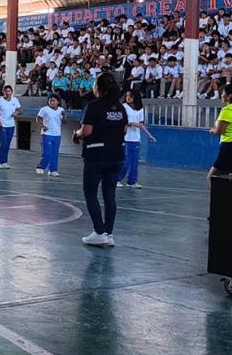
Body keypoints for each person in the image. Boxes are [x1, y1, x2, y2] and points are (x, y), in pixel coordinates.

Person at [72, 73, 127, 247]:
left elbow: (86, 131)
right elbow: (124, 130)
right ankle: (109, 234)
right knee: (110, 195)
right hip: (117, 155)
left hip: (96, 155)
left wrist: (76, 134)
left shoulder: (93, 106)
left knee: (90, 193)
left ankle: (99, 231)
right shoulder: (120, 108)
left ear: (99, 88)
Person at [117, 91, 156, 188]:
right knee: (125, 161)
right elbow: (123, 121)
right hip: (125, 137)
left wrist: (149, 135)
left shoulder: (140, 109)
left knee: (134, 162)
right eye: (127, 96)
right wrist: (132, 124)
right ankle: (117, 179)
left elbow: (141, 124)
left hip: (135, 139)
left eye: (130, 96)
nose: (128, 98)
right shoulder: (124, 107)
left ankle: (132, 181)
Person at [208, 83, 232, 180]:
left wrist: (213, 130)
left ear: (229, 96)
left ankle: (218, 195)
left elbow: (220, 130)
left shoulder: (228, 109)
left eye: (223, 93)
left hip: (231, 145)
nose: (221, 95)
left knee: (212, 177)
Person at [36, 95, 65, 176]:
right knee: (47, 152)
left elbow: (64, 121)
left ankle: (53, 170)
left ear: (58, 102)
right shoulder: (44, 109)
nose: (51, 102)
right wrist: (42, 126)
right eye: (50, 100)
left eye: (53, 100)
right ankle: (40, 167)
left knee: (55, 153)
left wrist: (64, 115)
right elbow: (38, 118)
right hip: (47, 133)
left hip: (57, 134)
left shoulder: (61, 110)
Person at [0, 85, 21, 169]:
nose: (7, 93)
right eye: (6, 91)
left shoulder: (15, 100)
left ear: (11, 92)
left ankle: (4, 162)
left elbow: (20, 110)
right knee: (3, 143)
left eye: (9, 91)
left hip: (11, 125)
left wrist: (16, 113)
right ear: (3, 92)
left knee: (7, 144)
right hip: (2, 125)